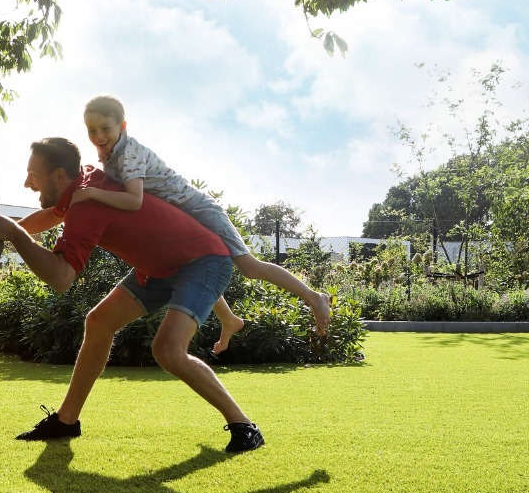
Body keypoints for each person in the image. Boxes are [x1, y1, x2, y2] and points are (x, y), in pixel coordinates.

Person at [0, 137, 266, 452]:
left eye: (32, 175)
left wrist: (14, 235)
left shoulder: (87, 205)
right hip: (160, 265)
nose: (27, 183)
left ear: (59, 176)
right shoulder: (83, 182)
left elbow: (61, 277)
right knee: (99, 322)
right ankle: (66, 421)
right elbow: (50, 216)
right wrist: (4, 235)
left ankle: (245, 426)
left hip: (203, 261)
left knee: (168, 350)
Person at [26, 96, 332, 349]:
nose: (98, 136)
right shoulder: (108, 155)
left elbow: (134, 201)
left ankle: (313, 297)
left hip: (198, 208)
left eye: (104, 128)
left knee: (249, 267)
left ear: (123, 126)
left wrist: (91, 193)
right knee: (191, 258)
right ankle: (228, 319)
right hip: (180, 212)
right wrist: (14, 227)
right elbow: (58, 213)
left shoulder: (128, 154)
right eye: (91, 130)